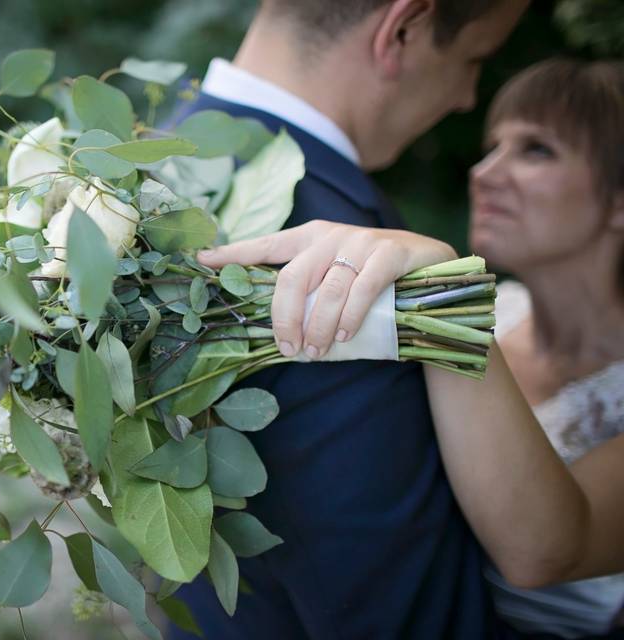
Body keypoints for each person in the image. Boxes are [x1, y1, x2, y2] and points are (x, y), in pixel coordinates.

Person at [198, 58, 624, 638]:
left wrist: (449, 295)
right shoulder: (506, 312)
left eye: (536, 151)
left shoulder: (462, 308)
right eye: (492, 146)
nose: (485, 172)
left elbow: (542, 554)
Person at [166, 0, 529, 638]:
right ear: (404, 29)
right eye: (473, 59)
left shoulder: (141, 172)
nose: (469, 97)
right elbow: (399, 610)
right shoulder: (345, 264)